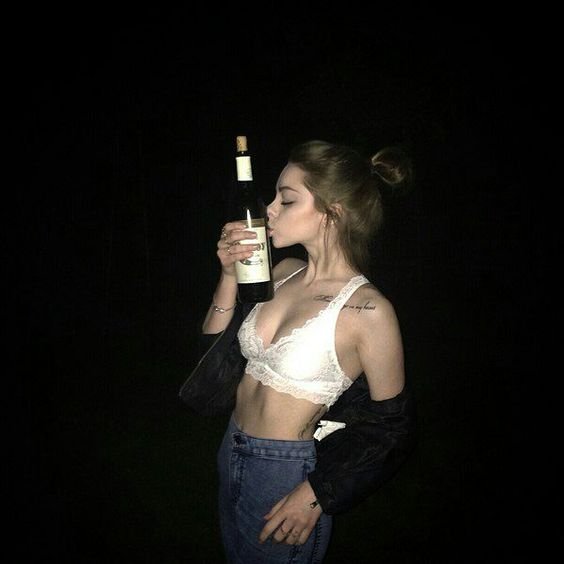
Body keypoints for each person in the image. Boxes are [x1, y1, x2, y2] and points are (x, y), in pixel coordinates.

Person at [181, 139, 416, 563]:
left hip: (286, 473)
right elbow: (211, 358)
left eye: (286, 200)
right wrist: (229, 276)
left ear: (332, 212)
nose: (268, 209)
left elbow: (391, 428)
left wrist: (316, 494)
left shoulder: (368, 310)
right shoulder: (283, 272)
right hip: (231, 448)